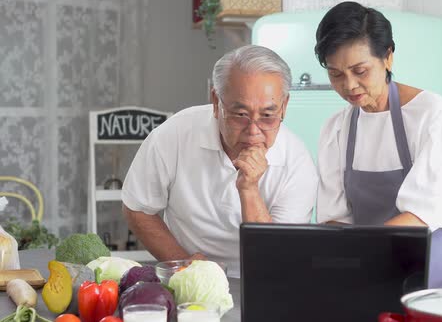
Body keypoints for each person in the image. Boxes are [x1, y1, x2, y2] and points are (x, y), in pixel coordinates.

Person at [314, 1, 442, 288]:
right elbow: (335, 221)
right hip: (375, 266)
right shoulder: (337, 128)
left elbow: (422, 216)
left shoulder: (430, 114)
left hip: (439, 268)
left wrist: (361, 255)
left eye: (360, 71)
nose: (350, 85)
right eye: (336, 74)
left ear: (388, 57)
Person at [122, 45, 318, 277]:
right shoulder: (174, 134)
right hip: (188, 273)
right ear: (216, 102)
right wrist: (183, 263)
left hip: (264, 279)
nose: (253, 132)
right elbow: (137, 208)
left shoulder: (297, 163)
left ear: (284, 107)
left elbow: (274, 258)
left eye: (267, 116)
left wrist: (249, 189)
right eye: (240, 115)